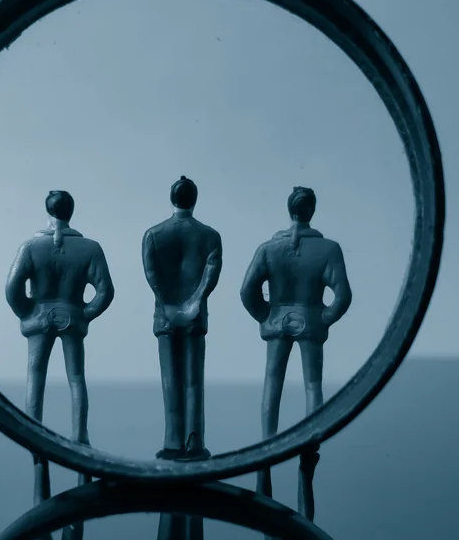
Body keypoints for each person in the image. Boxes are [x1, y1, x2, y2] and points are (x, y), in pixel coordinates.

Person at [6, 191, 114, 496]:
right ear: (71, 211)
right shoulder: (90, 248)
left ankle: (33, 435)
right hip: (71, 316)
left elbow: (12, 288)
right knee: (76, 378)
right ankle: (80, 437)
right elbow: (105, 291)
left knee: (35, 376)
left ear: (47, 210)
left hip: (39, 316)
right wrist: (83, 314)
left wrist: (28, 312)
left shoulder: (31, 246)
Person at [239, 187, 352, 440]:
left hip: (277, 319)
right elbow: (343, 295)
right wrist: (324, 318)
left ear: (289, 210)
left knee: (272, 383)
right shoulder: (329, 249)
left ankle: (267, 440)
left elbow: (247, 290)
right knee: (313, 385)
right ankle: (311, 441)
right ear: (311, 211)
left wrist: (265, 316)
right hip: (311, 321)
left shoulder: (268, 249)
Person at [142, 176, 223, 459]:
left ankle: (172, 441)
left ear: (172, 199)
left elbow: (152, 274)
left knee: (169, 380)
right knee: (193, 380)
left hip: (164, 316)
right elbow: (211, 274)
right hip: (195, 316)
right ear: (194, 199)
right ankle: (194, 440)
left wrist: (166, 305)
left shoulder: (154, 234)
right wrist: (195, 302)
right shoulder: (210, 236)